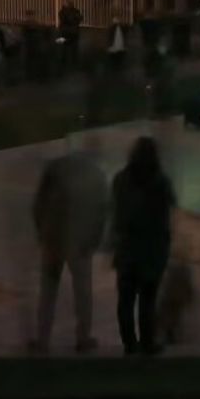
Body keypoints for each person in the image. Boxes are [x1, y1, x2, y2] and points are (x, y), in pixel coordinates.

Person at [29, 145, 108, 354]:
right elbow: (102, 211)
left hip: (53, 239)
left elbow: (38, 205)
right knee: (83, 292)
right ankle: (83, 338)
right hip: (81, 243)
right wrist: (95, 239)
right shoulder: (96, 176)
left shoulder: (55, 169)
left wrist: (42, 233)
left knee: (48, 291)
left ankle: (43, 339)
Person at [109, 137, 176, 356]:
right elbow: (168, 211)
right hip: (151, 250)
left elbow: (116, 212)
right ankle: (147, 342)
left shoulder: (120, 180)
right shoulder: (160, 182)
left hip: (127, 248)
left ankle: (130, 344)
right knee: (148, 300)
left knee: (125, 301)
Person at [57, 0, 83, 68]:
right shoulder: (73, 11)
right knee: (71, 48)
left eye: (65, 3)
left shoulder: (62, 12)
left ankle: (65, 62)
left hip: (66, 32)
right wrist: (74, 20)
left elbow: (78, 18)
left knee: (65, 48)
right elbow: (79, 18)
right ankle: (72, 62)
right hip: (72, 32)